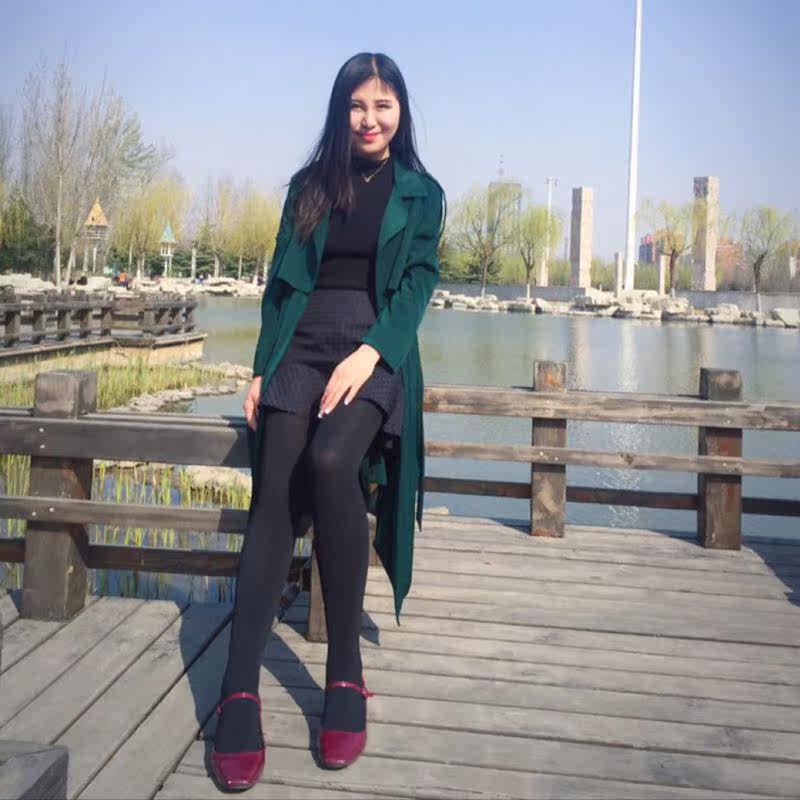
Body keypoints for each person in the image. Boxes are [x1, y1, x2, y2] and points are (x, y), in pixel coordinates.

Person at [211, 52, 445, 791]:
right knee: (274, 497)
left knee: (334, 461)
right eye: (357, 105)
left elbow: (418, 284)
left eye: (383, 105)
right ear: (340, 111)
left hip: (374, 349)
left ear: (401, 111)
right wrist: (261, 368)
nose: (370, 119)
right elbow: (280, 286)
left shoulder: (422, 192)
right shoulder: (309, 186)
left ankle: (346, 668)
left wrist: (371, 354)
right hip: (300, 345)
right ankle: (238, 686)